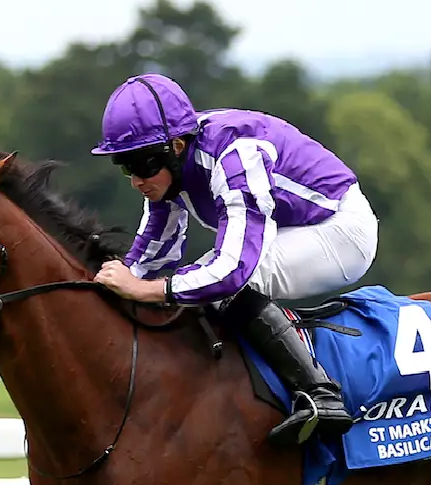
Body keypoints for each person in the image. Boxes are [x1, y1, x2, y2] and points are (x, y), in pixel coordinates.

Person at [89, 73, 379, 447]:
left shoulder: (235, 157)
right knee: (197, 281)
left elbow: (232, 272)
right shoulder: (172, 168)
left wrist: (147, 291)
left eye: (142, 165)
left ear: (176, 147)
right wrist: (116, 281)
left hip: (341, 230)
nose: (135, 180)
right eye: (124, 166)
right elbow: (157, 247)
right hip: (296, 226)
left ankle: (321, 396)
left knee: (223, 284)